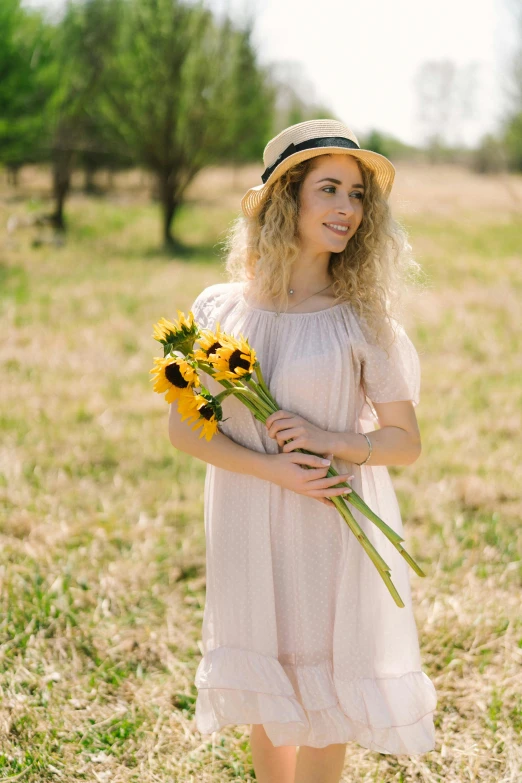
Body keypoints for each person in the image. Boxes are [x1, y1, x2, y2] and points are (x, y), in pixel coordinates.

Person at [168, 119, 437, 783]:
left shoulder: (362, 318)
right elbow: (184, 430)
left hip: (329, 525)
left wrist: (332, 440)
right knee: (269, 673)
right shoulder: (217, 311)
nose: (348, 208)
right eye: (330, 190)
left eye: (356, 195)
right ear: (286, 198)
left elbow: (406, 443)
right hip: (246, 519)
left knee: (327, 693)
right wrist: (273, 468)